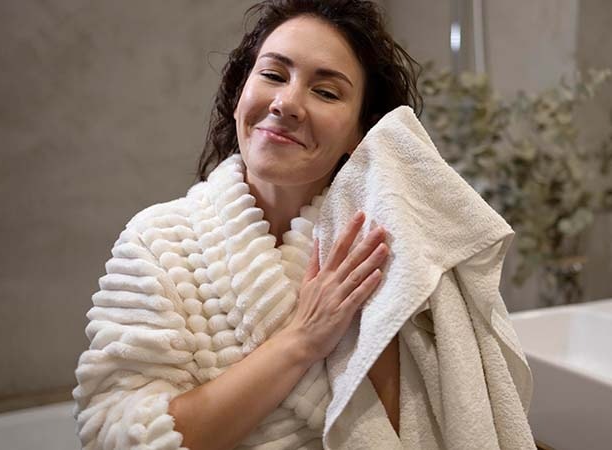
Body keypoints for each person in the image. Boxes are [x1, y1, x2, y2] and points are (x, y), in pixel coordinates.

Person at [73, 1, 421, 449]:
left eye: (327, 92)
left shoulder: (378, 253)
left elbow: (407, 433)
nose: (287, 103)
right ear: (241, 93)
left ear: (361, 133)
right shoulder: (156, 243)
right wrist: (301, 339)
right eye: (274, 75)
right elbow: (114, 435)